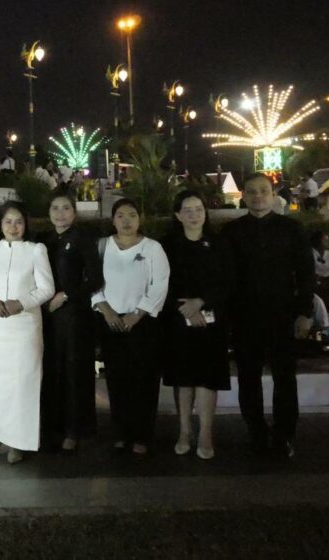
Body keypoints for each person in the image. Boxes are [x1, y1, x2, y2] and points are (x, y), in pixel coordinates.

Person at [222, 173, 314, 457]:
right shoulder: (231, 232)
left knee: (285, 378)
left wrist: (305, 313)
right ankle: (256, 432)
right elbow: (225, 278)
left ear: (274, 195)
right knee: (248, 378)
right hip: (244, 318)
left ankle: (284, 434)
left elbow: (306, 274)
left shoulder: (292, 229)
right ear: (244, 196)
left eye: (264, 191)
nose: (258, 196)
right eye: (251, 191)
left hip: (283, 316)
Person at [0, 201, 54, 463]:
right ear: (0, 224)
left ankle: (21, 441)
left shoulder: (36, 250)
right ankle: (5, 436)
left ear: (26, 224)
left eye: (19, 221)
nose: (13, 226)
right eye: (8, 221)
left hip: (25, 326)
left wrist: (22, 303)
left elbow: (46, 288)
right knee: (0, 384)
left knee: (23, 383)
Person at [91, 198, 170, 455]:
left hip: (142, 323)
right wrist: (106, 310)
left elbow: (159, 284)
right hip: (110, 321)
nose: (126, 220)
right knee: (117, 379)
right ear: (113, 220)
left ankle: (142, 435)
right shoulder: (102, 246)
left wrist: (137, 314)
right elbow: (91, 281)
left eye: (132, 215)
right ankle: (121, 432)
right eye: (121, 215)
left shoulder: (152, 248)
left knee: (144, 379)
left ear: (140, 219)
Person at [161, 190, 231, 461]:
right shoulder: (167, 245)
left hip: (212, 321)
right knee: (183, 379)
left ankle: (205, 433)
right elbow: (161, 283)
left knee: (206, 378)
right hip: (177, 320)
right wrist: (186, 310)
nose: (194, 215)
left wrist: (202, 303)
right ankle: (184, 431)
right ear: (178, 215)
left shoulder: (219, 243)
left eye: (198, 209)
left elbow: (228, 281)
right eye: (187, 210)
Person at [39, 192, 103, 453]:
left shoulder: (83, 238)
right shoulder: (44, 241)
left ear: (74, 213)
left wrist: (65, 295)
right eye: (55, 208)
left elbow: (95, 279)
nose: (60, 213)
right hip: (48, 316)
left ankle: (75, 429)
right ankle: (54, 426)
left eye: (66, 208)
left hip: (75, 315)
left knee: (75, 372)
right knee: (53, 371)